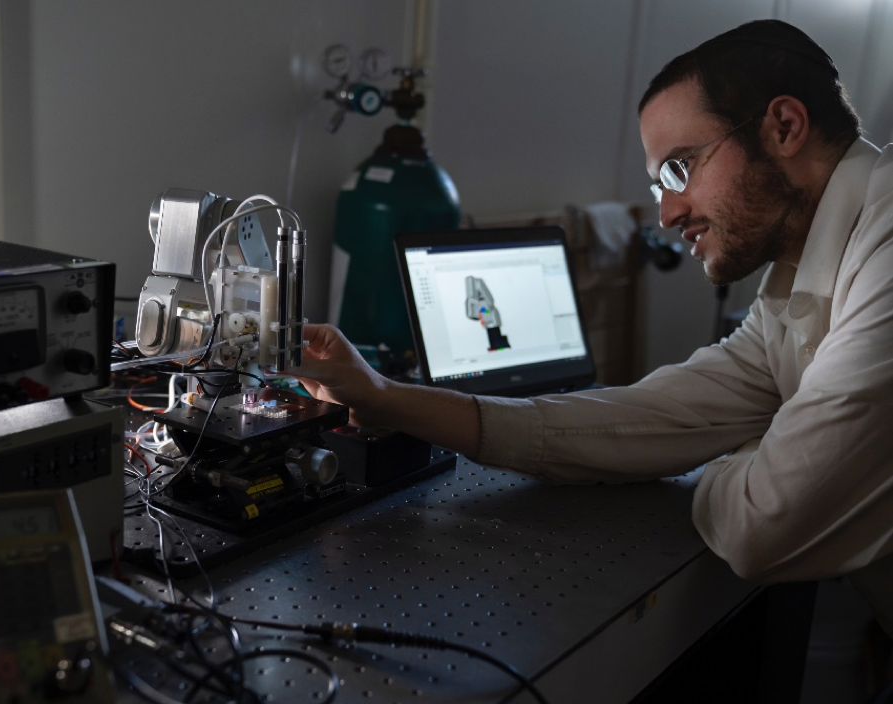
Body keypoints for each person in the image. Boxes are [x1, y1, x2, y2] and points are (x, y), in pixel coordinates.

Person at [291, 19, 893, 634]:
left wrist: (742, 450)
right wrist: (385, 396)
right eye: (660, 183)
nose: (667, 211)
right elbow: (647, 419)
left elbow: (764, 527)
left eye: (680, 169)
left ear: (784, 127)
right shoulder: (803, 272)